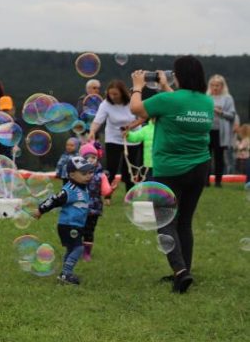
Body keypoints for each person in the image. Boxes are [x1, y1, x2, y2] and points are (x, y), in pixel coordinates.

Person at [130, 57, 213, 293]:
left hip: (169, 170)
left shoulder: (168, 100)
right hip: (199, 168)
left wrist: (138, 86)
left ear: (180, 76)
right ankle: (185, 268)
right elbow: (180, 103)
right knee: (185, 222)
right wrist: (165, 85)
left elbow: (136, 108)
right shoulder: (205, 102)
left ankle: (180, 272)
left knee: (166, 221)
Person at [33, 156, 97, 285]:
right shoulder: (69, 190)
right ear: (72, 175)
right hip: (68, 225)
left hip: (76, 225)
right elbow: (54, 200)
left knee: (71, 249)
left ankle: (65, 273)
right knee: (78, 249)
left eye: (90, 172)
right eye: (84, 173)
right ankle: (66, 274)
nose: (88, 176)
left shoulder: (83, 188)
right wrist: (41, 210)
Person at [87, 80, 143, 192]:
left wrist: (130, 127)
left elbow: (142, 117)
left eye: (115, 94)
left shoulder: (133, 101)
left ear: (122, 93)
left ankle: (129, 193)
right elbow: (97, 121)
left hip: (132, 137)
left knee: (129, 168)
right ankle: (107, 194)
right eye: (110, 94)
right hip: (113, 138)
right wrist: (92, 131)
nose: (112, 97)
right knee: (111, 167)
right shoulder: (105, 104)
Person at [78, 142, 113, 261]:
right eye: (87, 157)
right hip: (78, 206)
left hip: (94, 208)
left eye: (93, 157)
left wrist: (110, 188)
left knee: (88, 231)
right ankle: (76, 250)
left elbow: (105, 191)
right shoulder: (77, 174)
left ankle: (87, 253)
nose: (91, 160)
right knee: (77, 229)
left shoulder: (101, 175)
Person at [206, 74, 236, 187]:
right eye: (213, 85)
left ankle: (218, 181)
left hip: (221, 132)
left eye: (217, 85)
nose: (215, 88)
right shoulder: (206, 97)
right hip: (207, 131)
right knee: (206, 157)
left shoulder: (228, 98)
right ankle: (206, 181)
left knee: (219, 157)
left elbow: (232, 115)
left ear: (222, 86)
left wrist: (221, 112)